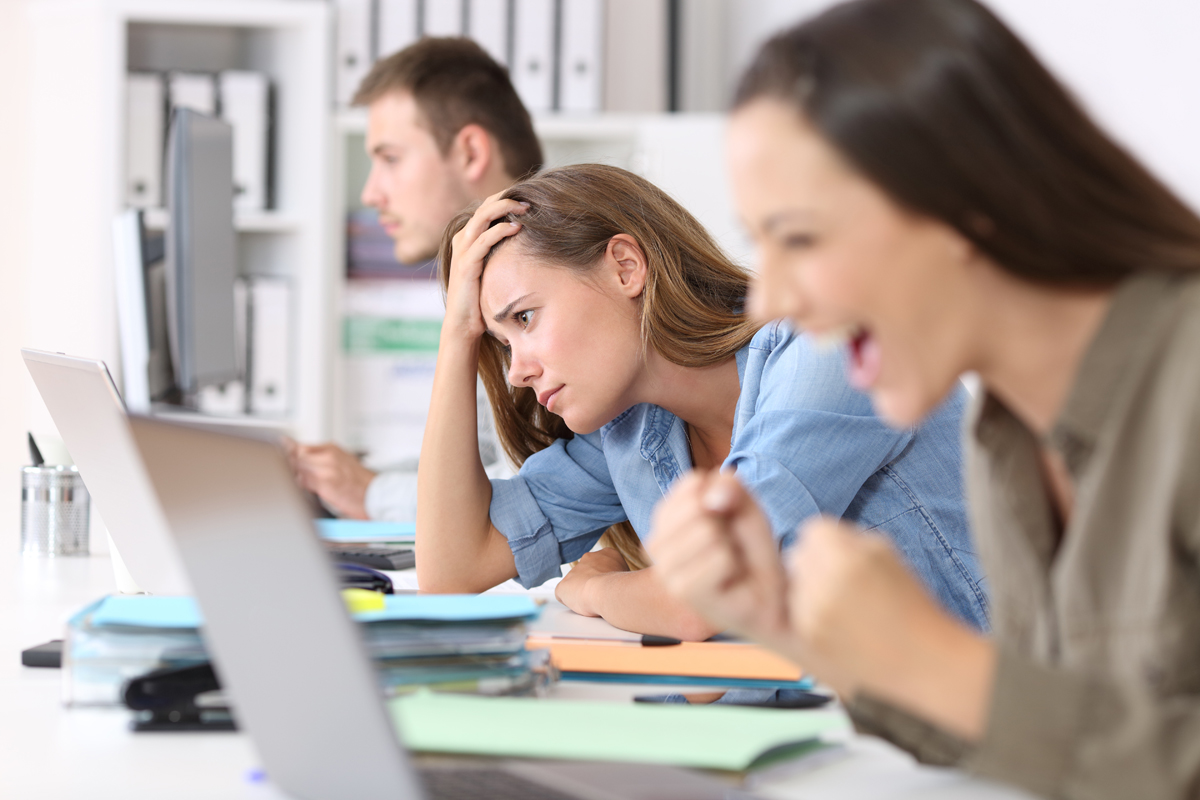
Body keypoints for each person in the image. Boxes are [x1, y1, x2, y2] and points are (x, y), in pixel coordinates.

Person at [648, 0, 1200, 796]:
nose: (765, 300)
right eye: (757, 241)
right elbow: (1054, 755)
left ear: (961, 207)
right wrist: (788, 627)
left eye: (799, 238)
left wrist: (937, 663)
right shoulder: (1003, 438)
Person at [416, 162, 988, 641]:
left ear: (625, 266)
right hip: (815, 737)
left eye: (525, 317)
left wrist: (593, 585)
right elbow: (453, 570)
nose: (517, 372)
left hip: (975, 744)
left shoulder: (832, 349)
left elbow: (705, 601)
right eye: (500, 341)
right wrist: (457, 336)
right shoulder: (632, 430)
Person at [288, 37, 542, 520]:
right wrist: (350, 481)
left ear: (469, 152)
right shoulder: (491, 277)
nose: (371, 192)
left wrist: (371, 493)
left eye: (390, 158)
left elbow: (528, 489)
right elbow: (490, 457)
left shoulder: (547, 282)